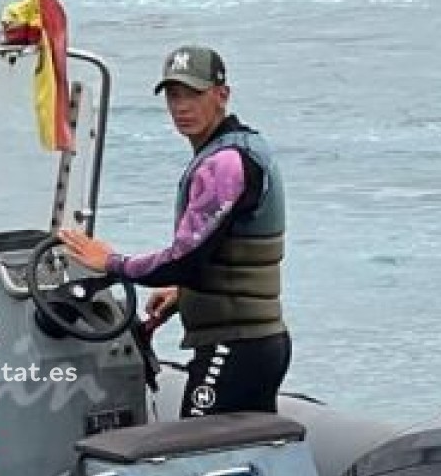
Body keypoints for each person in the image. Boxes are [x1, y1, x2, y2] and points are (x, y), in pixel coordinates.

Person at [58, 46, 291, 417]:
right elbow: (226, 252)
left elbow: (184, 260)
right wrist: (183, 296)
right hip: (258, 343)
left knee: (197, 458)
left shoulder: (224, 164)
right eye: (174, 95)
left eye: (194, 94)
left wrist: (112, 262)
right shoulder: (245, 148)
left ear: (222, 94)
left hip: (233, 348)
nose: (182, 106)